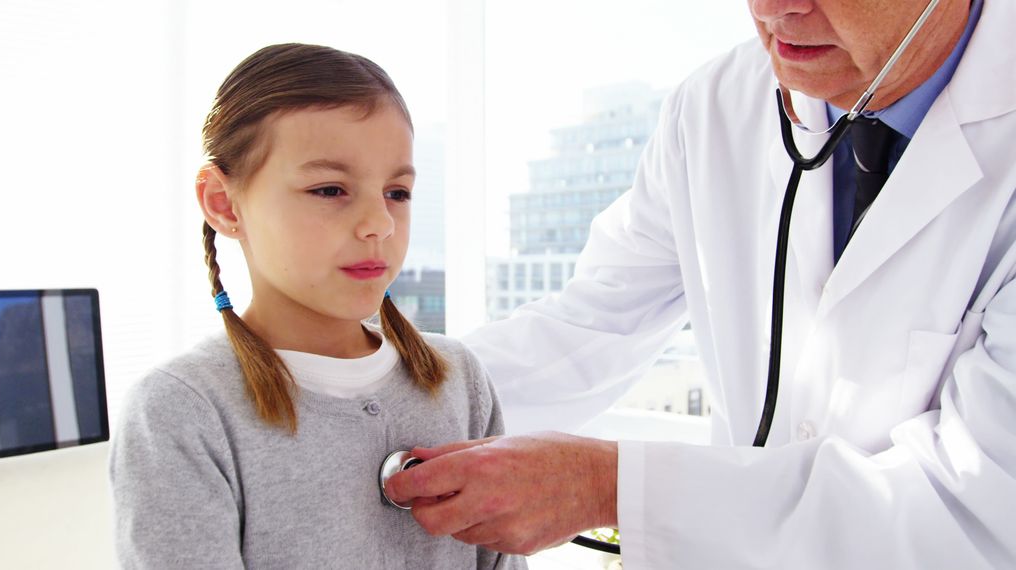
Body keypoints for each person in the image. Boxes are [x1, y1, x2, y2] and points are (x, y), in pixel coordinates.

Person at [385, 0, 1016, 567]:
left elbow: (972, 507)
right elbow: (591, 324)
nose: (771, 8)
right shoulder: (714, 106)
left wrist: (608, 486)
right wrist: (376, 389)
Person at [109, 43, 525, 570]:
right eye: (330, 189)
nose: (379, 224)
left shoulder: (459, 379)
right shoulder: (181, 411)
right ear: (223, 203)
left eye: (397, 192)